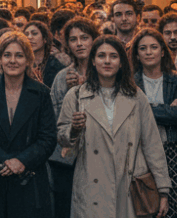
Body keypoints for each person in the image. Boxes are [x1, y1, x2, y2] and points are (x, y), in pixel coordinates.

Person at [56, 34, 170, 218]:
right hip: (92, 189)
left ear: (122, 62)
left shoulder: (136, 97)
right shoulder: (76, 96)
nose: (107, 61)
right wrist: (74, 129)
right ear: (93, 61)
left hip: (128, 186)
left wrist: (163, 189)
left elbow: (152, 144)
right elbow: (62, 138)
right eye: (101, 56)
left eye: (113, 56)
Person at [0, 31, 57, 218]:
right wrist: (5, 161)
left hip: (30, 181)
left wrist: (22, 161)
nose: (13, 61)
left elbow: (48, 138)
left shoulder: (41, 93)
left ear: (28, 60)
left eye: (19, 55)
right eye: (7, 55)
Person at [129, 28, 177, 218]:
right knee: (145, 207)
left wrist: (145, 108)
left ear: (163, 51)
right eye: (143, 48)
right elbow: (131, 114)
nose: (149, 52)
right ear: (137, 54)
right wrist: (165, 108)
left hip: (173, 150)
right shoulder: (130, 82)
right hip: (141, 152)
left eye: (154, 47)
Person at [48, 19, 97, 218]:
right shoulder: (62, 77)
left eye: (84, 38)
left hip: (97, 156)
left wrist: (86, 89)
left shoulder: (104, 74)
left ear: (94, 40)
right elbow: (54, 119)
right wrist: (71, 94)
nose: (79, 44)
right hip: (66, 159)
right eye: (73, 39)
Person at [23, 20, 67, 88]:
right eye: (26, 34)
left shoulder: (56, 66)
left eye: (34, 33)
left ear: (45, 39)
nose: (30, 37)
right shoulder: (21, 64)